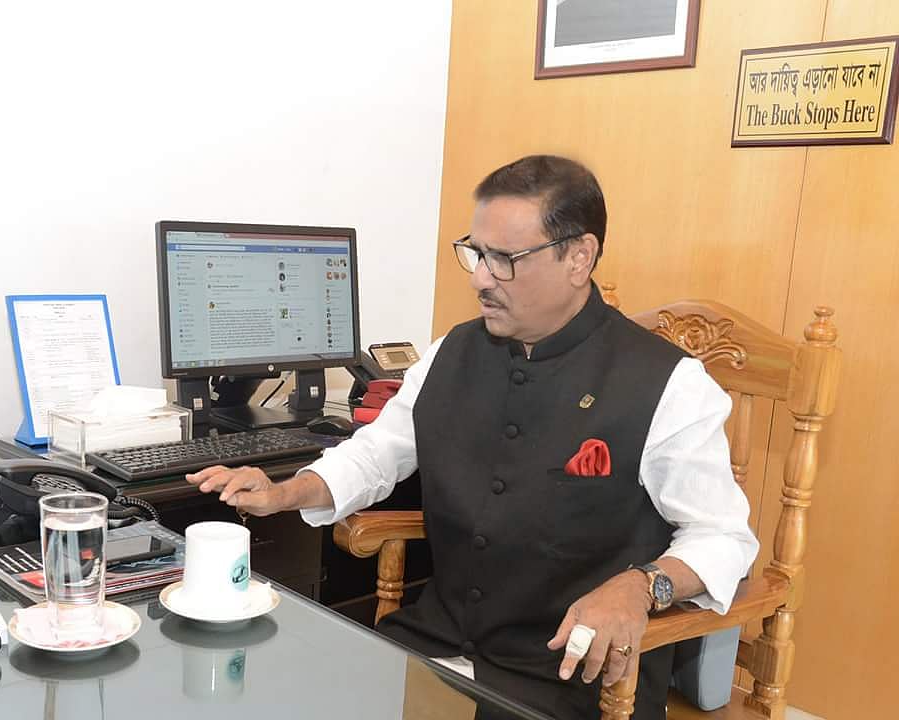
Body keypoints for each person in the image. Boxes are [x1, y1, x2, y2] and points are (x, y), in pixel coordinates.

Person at [187, 155, 758, 720]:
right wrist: (286, 491)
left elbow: (725, 538)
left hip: (567, 675)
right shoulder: (451, 352)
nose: (481, 278)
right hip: (437, 642)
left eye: (505, 259)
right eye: (477, 253)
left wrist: (641, 587)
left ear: (579, 257)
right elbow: (376, 453)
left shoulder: (667, 383)